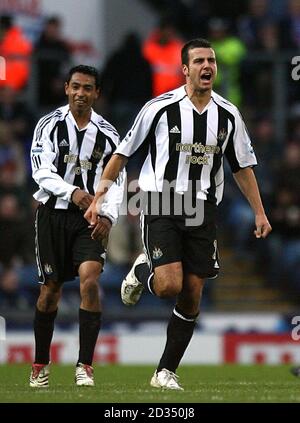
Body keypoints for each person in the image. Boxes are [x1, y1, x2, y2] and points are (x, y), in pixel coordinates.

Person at [84, 39, 272, 390]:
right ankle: (145, 269)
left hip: (203, 207)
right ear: (184, 69)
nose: (207, 66)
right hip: (160, 201)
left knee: (193, 291)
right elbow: (122, 153)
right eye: (199, 61)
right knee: (170, 284)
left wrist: (259, 213)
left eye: (211, 61)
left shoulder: (228, 114)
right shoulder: (159, 107)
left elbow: (242, 167)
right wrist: (100, 195)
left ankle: (164, 371)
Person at [29, 65, 125, 388]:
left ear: (97, 93)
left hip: (90, 219)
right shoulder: (49, 126)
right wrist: (74, 193)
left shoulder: (109, 134)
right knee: (50, 292)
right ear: (66, 88)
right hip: (53, 215)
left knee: (89, 281)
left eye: (88, 88)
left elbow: (118, 178)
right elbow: (40, 172)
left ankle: (85, 365)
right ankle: (41, 362)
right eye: (76, 87)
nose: (81, 94)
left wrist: (109, 214)